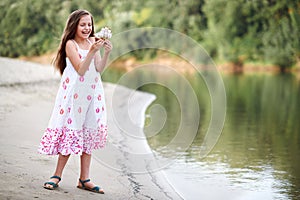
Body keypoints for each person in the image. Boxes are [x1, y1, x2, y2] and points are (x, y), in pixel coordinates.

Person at [38, 9, 112, 194]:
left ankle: (84, 178)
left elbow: (98, 68)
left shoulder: (92, 42)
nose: (87, 28)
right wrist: (92, 51)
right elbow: (80, 69)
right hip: (74, 96)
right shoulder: (70, 44)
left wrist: (105, 53)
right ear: (74, 26)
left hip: (92, 94)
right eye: (83, 25)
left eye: (89, 24)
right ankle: (56, 175)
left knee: (88, 133)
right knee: (71, 132)